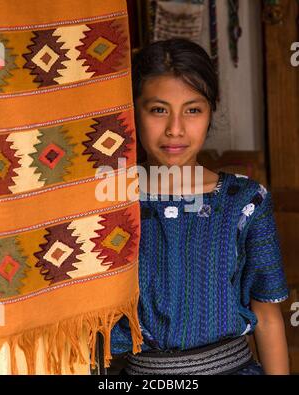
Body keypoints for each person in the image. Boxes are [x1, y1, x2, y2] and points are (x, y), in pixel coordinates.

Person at [109, 38, 290, 375]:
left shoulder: (246, 202)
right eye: (158, 109)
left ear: (210, 113)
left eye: (193, 110)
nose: (175, 129)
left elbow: (267, 317)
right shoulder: (112, 204)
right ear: (133, 112)